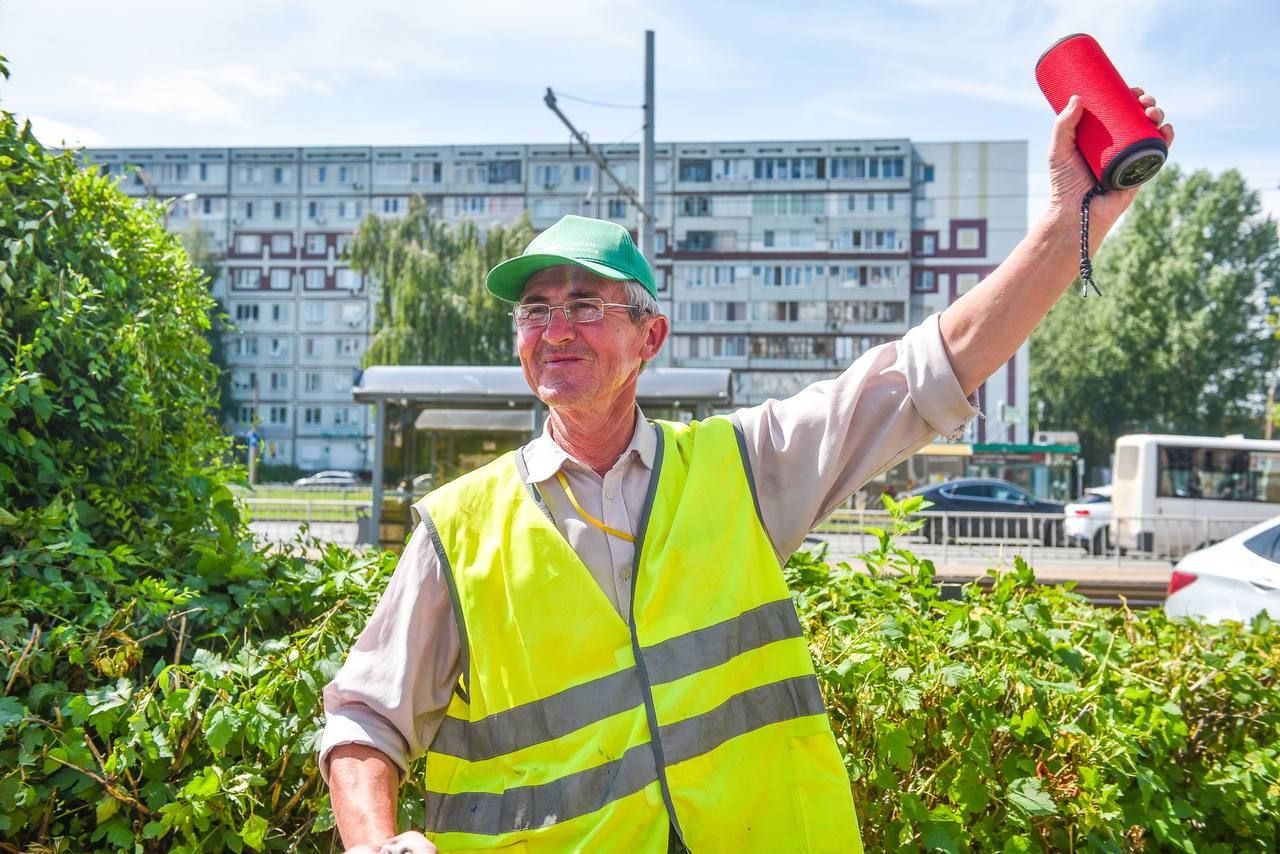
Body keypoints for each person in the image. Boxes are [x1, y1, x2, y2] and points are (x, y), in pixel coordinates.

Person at [322, 92, 1172, 853]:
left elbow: (931, 369)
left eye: (586, 305)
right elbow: (363, 718)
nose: (557, 329)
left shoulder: (742, 466)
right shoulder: (459, 526)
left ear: (649, 339)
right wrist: (373, 845)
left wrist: (1073, 217)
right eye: (536, 311)